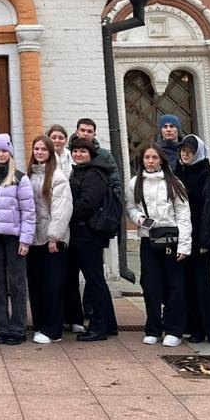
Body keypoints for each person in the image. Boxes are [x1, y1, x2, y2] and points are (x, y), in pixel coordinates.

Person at [127, 143, 191, 346]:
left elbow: (183, 214)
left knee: (175, 285)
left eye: (154, 157)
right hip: (149, 239)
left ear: (161, 159)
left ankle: (174, 330)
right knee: (150, 285)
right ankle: (153, 328)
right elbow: (130, 206)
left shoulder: (174, 183)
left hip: (172, 238)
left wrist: (184, 245)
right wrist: (139, 218)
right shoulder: (135, 183)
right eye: (147, 157)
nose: (151, 161)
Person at [0, 134, 35, 344]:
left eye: (4, 151)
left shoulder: (20, 178)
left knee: (17, 284)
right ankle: (1, 327)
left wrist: (25, 240)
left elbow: (29, 212)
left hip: (14, 238)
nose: (1, 154)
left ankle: (18, 327)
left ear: (10, 153)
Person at [69, 118, 121, 334]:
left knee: (95, 280)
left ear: (91, 154)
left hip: (88, 233)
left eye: (84, 151)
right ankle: (108, 325)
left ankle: (99, 327)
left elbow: (86, 204)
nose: (79, 154)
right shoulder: (80, 171)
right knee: (95, 279)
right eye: (76, 151)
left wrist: (66, 214)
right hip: (82, 232)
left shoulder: (93, 173)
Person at [176, 135, 210, 345]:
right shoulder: (177, 174)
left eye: (190, 150)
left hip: (200, 240)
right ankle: (194, 328)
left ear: (198, 153)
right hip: (182, 239)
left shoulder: (207, 177)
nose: (185, 154)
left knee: (202, 286)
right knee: (186, 285)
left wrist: (206, 241)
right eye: (183, 150)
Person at [26, 135, 72, 344]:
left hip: (51, 240)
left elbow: (61, 209)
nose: (39, 152)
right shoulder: (29, 175)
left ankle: (53, 329)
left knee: (52, 285)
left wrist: (55, 237)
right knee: (36, 285)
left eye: (44, 149)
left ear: (50, 152)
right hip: (33, 238)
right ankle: (40, 325)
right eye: (37, 149)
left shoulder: (58, 177)